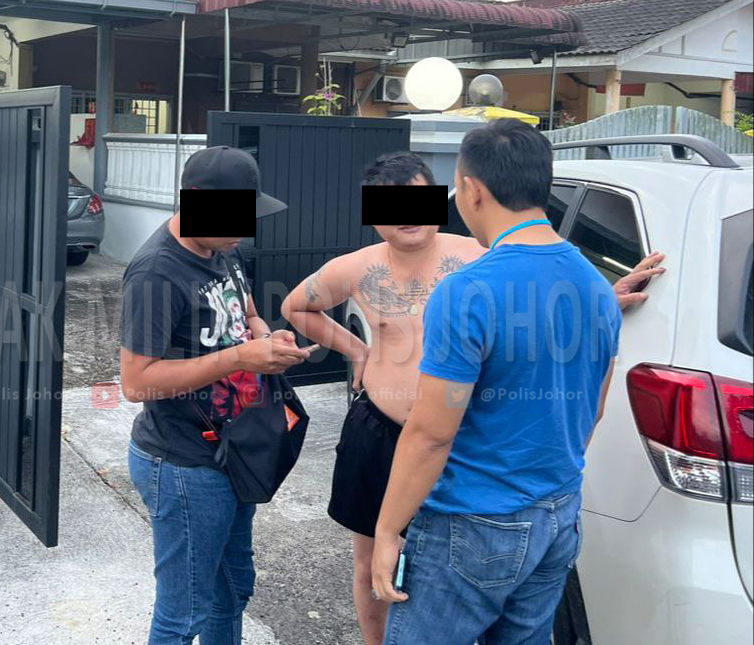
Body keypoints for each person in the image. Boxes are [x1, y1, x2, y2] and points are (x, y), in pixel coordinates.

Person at [282, 149, 664, 645]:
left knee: (452, 570)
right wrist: (359, 351)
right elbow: (297, 307)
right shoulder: (357, 268)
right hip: (380, 432)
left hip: (458, 440)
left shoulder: (479, 256)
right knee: (372, 561)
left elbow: (538, 299)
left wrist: (602, 298)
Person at [370, 119, 630, 644]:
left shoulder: (467, 290)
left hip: (472, 519)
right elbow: (594, 407)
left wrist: (387, 530)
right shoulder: (596, 284)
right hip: (558, 512)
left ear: (472, 189)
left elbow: (432, 432)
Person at [120, 145, 314, 645]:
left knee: (232, 590)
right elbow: (136, 381)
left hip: (233, 451)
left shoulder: (224, 249)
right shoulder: (156, 272)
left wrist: (267, 337)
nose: (242, 231)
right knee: (184, 612)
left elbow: (246, 312)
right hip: (182, 464)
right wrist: (240, 358)